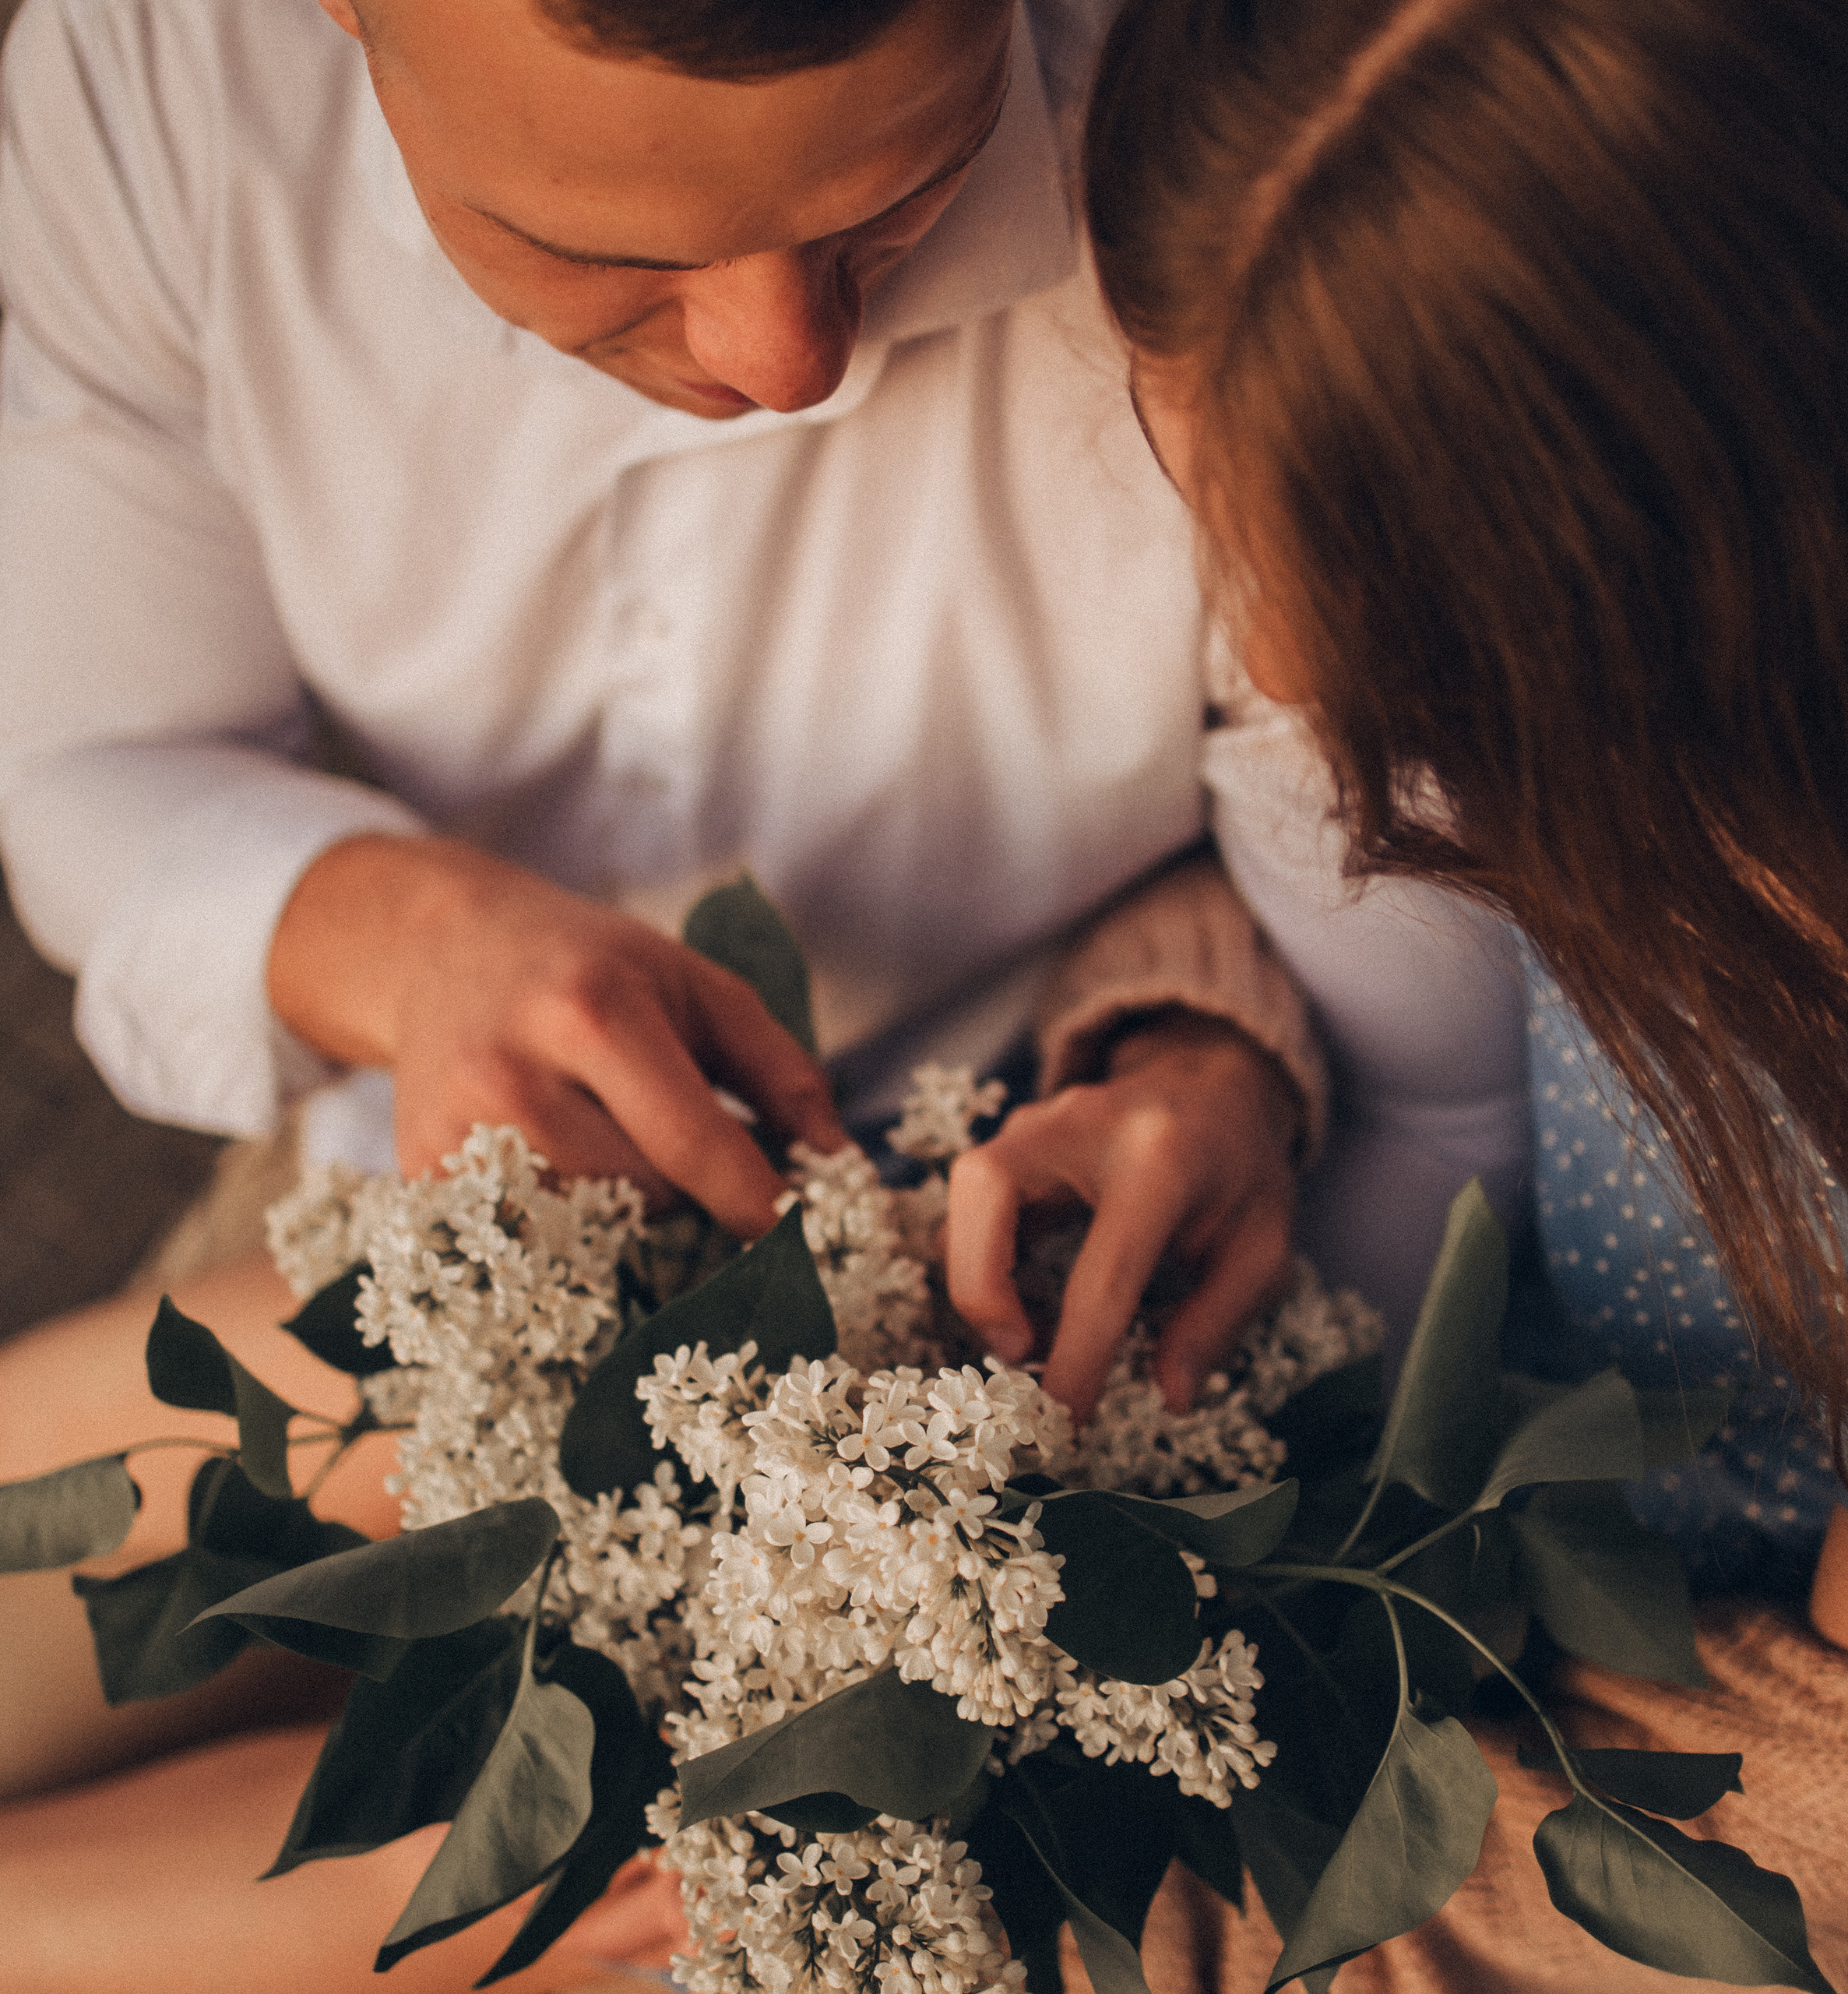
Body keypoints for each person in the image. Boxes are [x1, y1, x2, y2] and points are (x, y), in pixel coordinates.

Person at [0, 0, 1534, 1984]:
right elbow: (88, 766)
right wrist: (395, 929)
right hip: (442, 1250)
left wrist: (1193, 1114)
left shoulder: (1244, 152)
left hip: (1032, 1358)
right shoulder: (149, 78)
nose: (781, 358)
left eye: (898, 198)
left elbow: (1440, 1062)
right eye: (600, 250)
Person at [1081, 0, 1848, 1987]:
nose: (1261, 660)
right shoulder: (1667, 735)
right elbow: (1332, 897)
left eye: (1384, 642)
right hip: (1469, 1582)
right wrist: (1203, 1050)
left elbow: (1841, 1827)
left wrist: (1143, 1873)